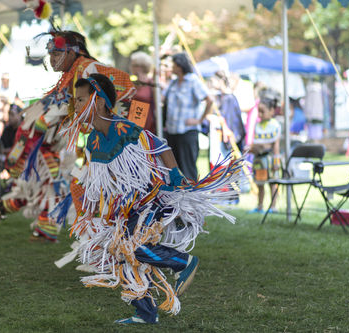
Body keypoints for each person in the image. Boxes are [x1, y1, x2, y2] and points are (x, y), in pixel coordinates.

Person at [62, 73, 243, 324]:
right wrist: (88, 213)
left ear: (100, 101)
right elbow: (96, 182)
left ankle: (183, 262)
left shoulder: (123, 129)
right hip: (125, 206)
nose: (76, 106)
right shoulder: (93, 141)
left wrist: (177, 177)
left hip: (150, 198)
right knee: (122, 255)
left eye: (81, 100)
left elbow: (161, 146)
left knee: (135, 248)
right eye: (75, 101)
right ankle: (145, 313)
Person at [0, 30, 135, 242]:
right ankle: (81, 237)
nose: (52, 58)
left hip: (115, 135)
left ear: (73, 52)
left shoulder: (87, 68)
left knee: (64, 183)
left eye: (57, 53)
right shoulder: (70, 75)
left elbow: (119, 92)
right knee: (50, 183)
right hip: (52, 144)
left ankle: (109, 239)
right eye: (50, 53)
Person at [164, 53, 213, 181]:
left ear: (179, 66)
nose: (171, 68)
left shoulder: (193, 81)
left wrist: (199, 120)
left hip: (187, 132)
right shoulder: (173, 83)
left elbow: (209, 100)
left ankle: (192, 198)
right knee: (174, 169)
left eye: (173, 65)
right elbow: (161, 98)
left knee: (188, 170)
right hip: (172, 132)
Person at [249, 88, 281, 213]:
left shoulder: (275, 125)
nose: (260, 115)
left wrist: (276, 162)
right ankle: (260, 206)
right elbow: (255, 143)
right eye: (259, 112)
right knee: (260, 183)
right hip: (259, 160)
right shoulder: (258, 125)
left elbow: (275, 145)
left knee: (272, 183)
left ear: (272, 111)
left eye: (263, 112)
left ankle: (273, 206)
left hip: (270, 160)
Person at [130, 51, 156, 133]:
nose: (131, 67)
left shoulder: (151, 83)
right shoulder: (133, 83)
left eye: (133, 65)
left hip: (146, 121)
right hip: (133, 121)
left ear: (140, 67)